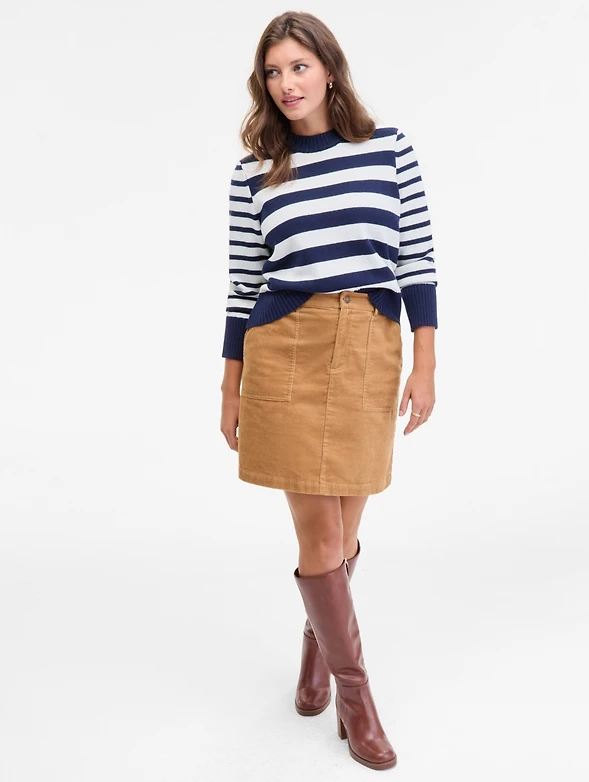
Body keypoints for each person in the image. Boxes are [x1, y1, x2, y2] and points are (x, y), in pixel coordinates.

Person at [219, 10, 437, 772]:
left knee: (344, 535)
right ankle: (357, 700)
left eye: (298, 67)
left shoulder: (389, 149)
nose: (286, 84)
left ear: (330, 70)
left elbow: (417, 258)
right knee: (319, 536)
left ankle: (317, 658)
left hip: (370, 347)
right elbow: (242, 286)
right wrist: (229, 386)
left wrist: (426, 362)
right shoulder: (254, 172)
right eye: (273, 72)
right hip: (285, 350)